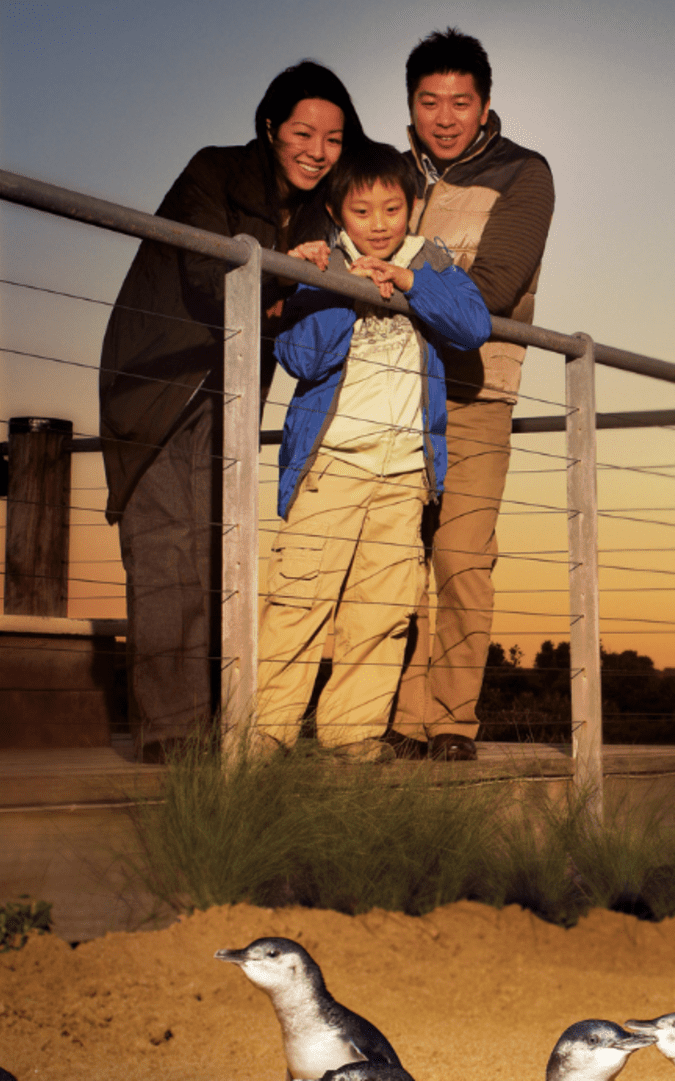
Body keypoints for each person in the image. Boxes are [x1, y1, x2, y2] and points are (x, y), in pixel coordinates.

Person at [98, 61, 364, 763]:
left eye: (334, 138)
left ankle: (216, 725)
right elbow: (208, 277)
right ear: (271, 126)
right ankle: (170, 736)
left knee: (220, 549)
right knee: (164, 546)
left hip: (233, 388)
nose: (317, 149)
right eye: (303, 131)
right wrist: (285, 268)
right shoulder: (212, 171)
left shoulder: (318, 209)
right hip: (158, 379)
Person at [251, 141, 492, 761]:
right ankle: (267, 734)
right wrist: (335, 285)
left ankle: (350, 735)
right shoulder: (323, 263)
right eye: (363, 212)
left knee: (381, 610)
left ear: (413, 207)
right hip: (333, 464)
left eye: (392, 208)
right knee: (300, 598)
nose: (379, 224)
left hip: (407, 470)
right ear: (338, 214)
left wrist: (408, 282)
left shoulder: (430, 261)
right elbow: (300, 357)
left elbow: (472, 326)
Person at [387, 28, 556, 762]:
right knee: (390, 560)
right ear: (412, 105)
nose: (446, 116)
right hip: (388, 389)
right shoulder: (386, 171)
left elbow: (489, 290)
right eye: (430, 101)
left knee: (459, 556)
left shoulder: (524, 173)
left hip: (475, 390)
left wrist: (395, 266)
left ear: (485, 105)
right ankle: (393, 718)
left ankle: (451, 719)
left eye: (461, 101)